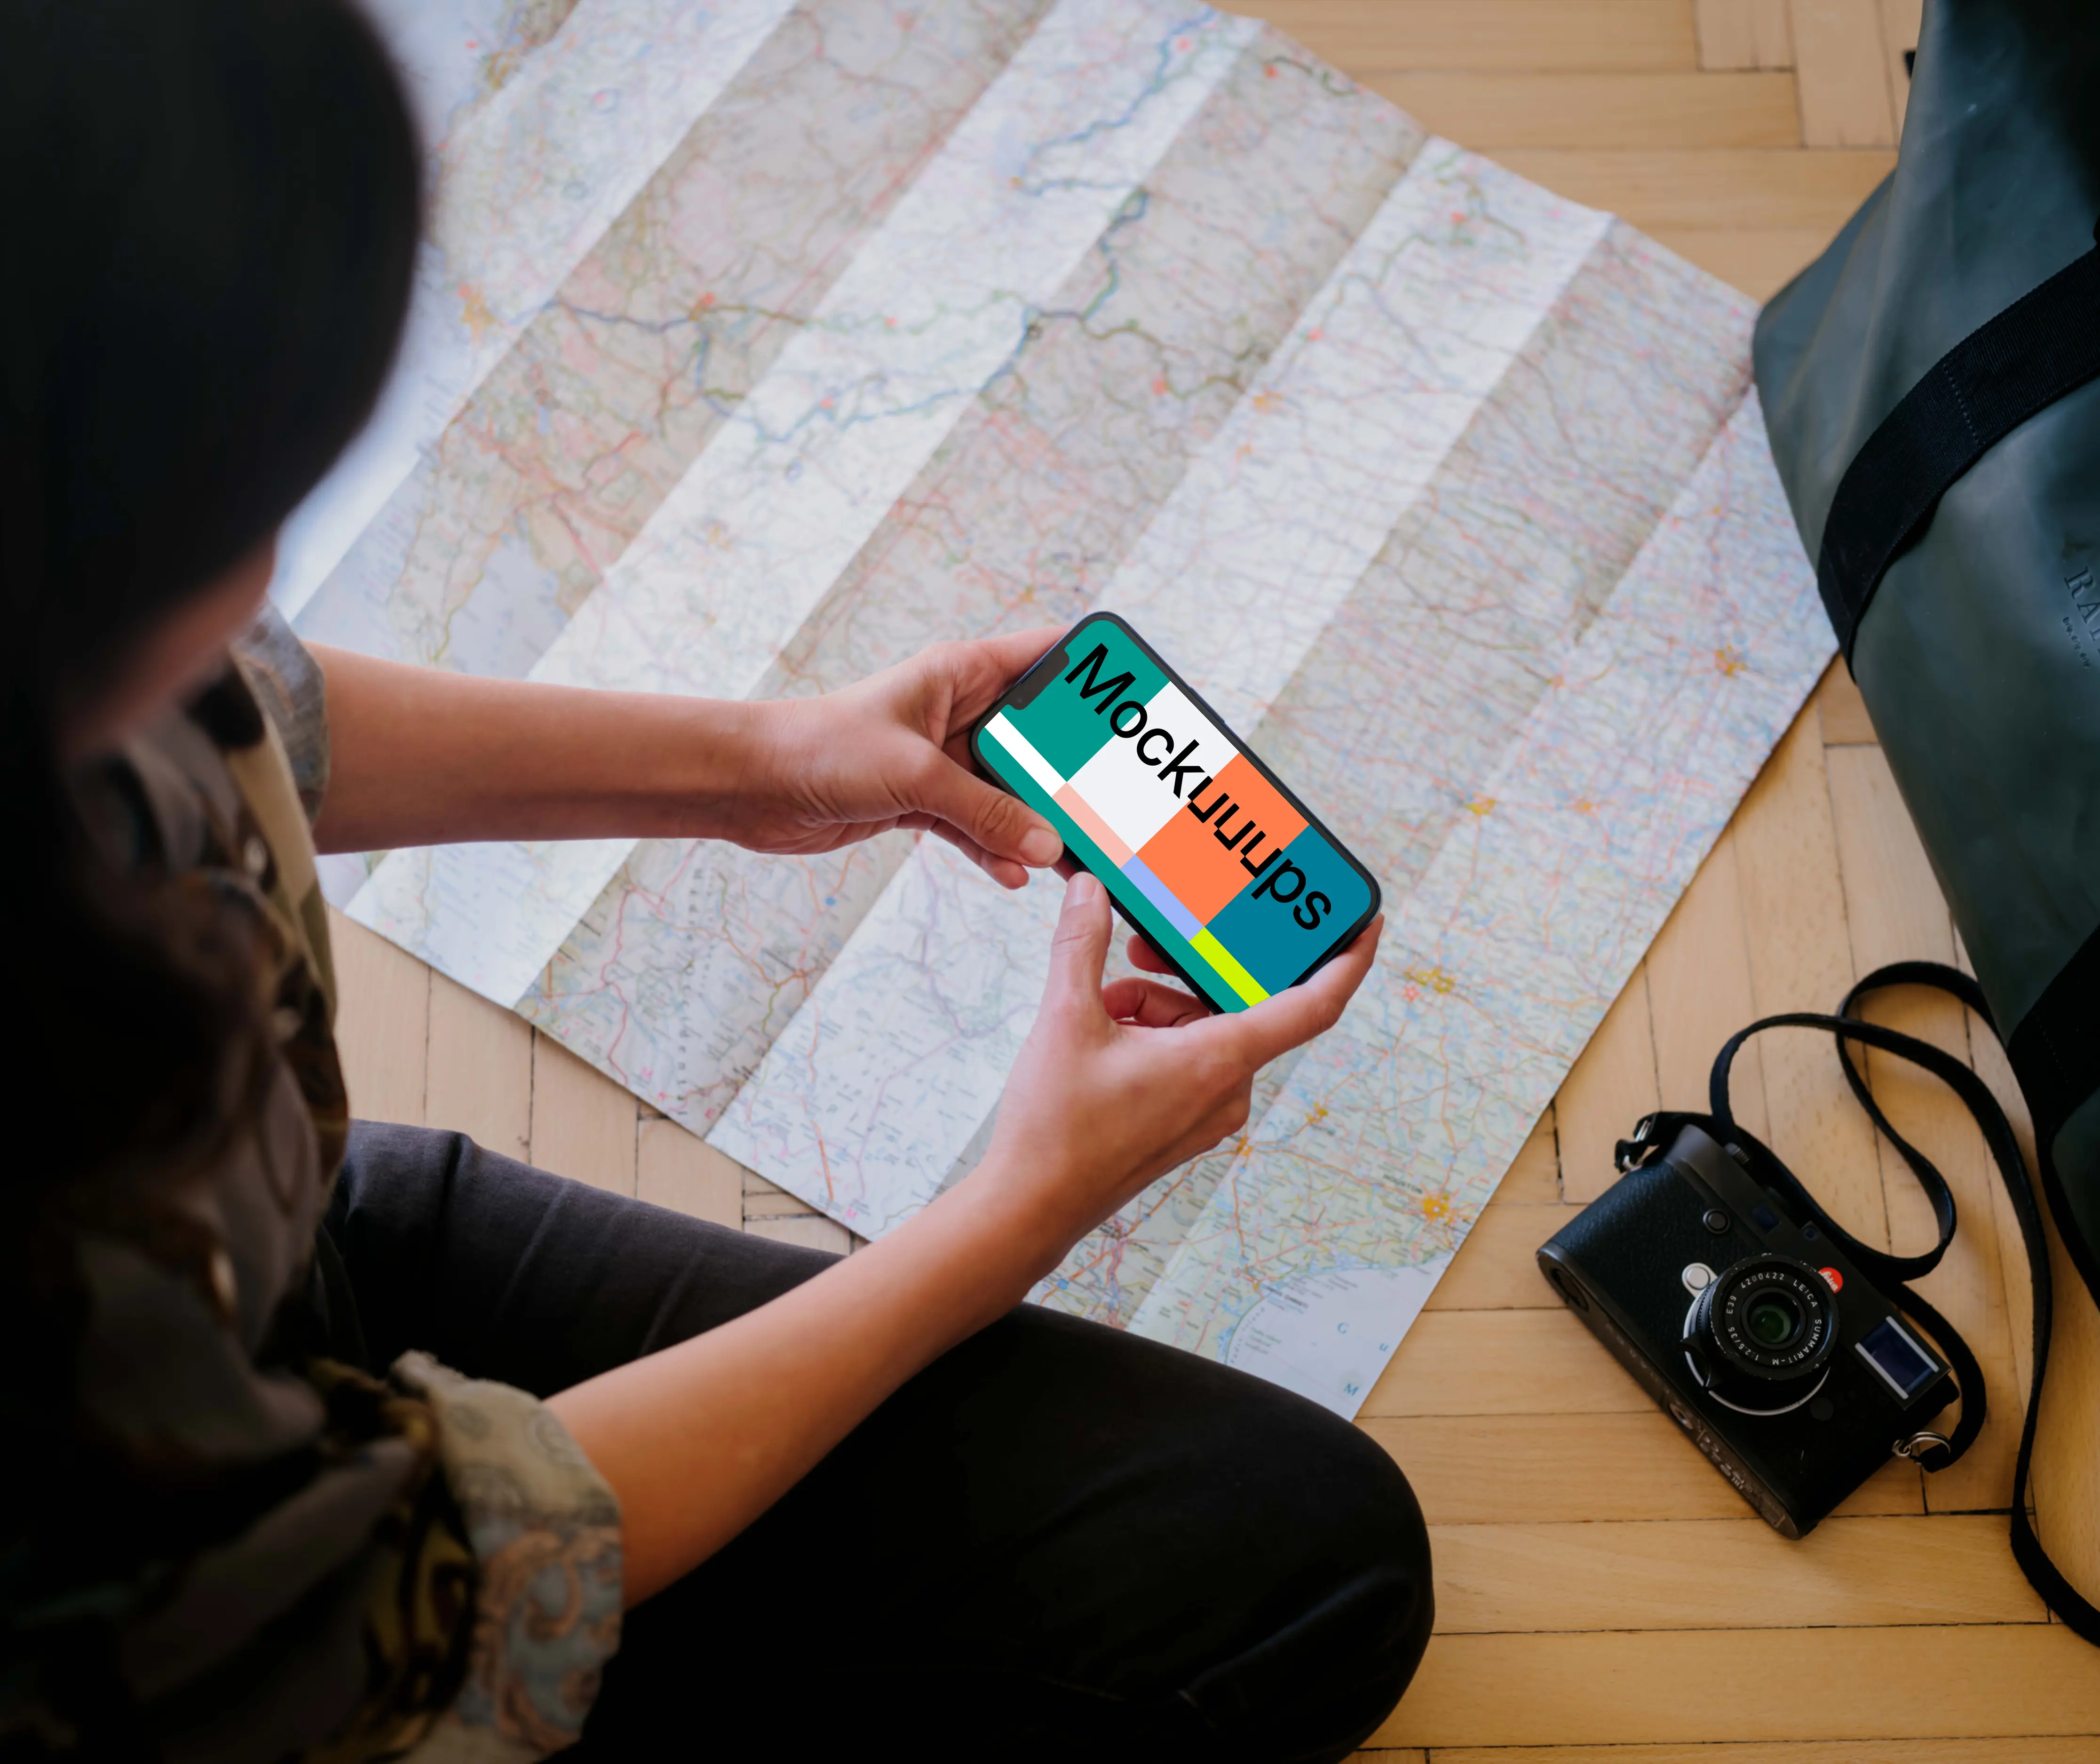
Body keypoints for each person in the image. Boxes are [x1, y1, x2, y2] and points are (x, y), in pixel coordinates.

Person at [0, 2, 1434, 1758]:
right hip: (257, 1630)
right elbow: (431, 1598)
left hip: (296, 1248)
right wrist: (1008, 1213)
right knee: (1321, 1588)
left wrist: (765, 763)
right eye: (244, 508)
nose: (271, 583)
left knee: (1302, 1538)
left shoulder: (67, 598)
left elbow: (251, 710)